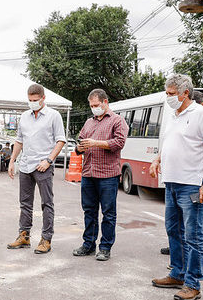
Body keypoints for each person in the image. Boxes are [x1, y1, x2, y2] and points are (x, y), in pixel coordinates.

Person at [149, 74, 203, 300]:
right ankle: (177, 274)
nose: (168, 97)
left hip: (191, 184)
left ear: (185, 93)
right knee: (173, 230)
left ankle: (193, 283)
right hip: (171, 182)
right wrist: (157, 159)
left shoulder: (202, 114)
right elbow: (169, 143)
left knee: (194, 235)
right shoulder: (173, 115)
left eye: (171, 94)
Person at [7, 83, 66, 254]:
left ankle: (46, 239)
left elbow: (60, 140)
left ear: (43, 99)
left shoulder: (53, 116)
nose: (32, 103)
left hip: (43, 166)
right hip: (25, 165)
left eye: (35, 100)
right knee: (25, 203)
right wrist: (12, 161)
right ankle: (24, 235)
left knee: (47, 203)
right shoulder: (24, 116)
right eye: (30, 100)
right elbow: (19, 140)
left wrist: (48, 160)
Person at [72, 89, 128, 261]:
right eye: (91, 106)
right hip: (88, 173)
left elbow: (119, 142)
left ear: (105, 102)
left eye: (96, 105)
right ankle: (88, 244)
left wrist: (96, 143)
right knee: (89, 211)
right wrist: (79, 148)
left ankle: (105, 247)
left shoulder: (117, 121)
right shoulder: (89, 122)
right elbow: (79, 142)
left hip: (108, 175)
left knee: (108, 213)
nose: (94, 108)